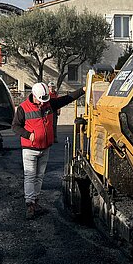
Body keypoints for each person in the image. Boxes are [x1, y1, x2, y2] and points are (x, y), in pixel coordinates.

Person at [11, 81, 84, 219]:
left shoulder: (49, 104)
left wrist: (83, 90)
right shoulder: (23, 108)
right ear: (34, 95)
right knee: (30, 176)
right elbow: (15, 126)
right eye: (40, 101)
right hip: (29, 148)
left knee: (39, 176)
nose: (42, 104)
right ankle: (29, 204)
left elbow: (67, 99)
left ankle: (35, 201)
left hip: (45, 148)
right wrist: (28, 134)